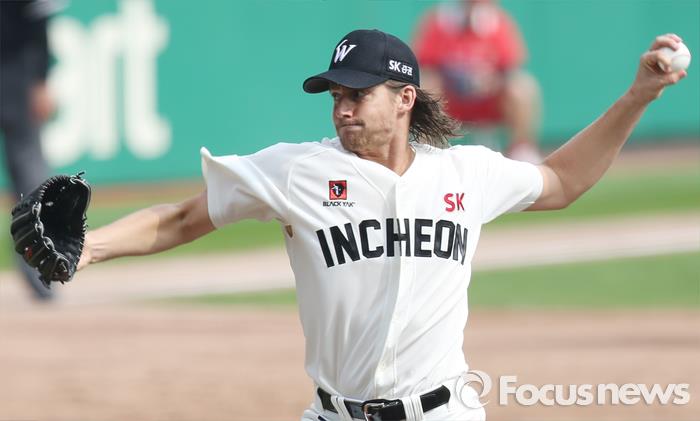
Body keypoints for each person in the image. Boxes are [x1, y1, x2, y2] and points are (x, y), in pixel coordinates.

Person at [76, 29, 686, 421]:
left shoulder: (465, 173)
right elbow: (184, 217)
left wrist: (638, 96)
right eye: (335, 96)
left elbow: (562, 181)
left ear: (404, 99)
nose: (342, 108)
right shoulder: (297, 171)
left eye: (358, 95)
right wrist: (91, 248)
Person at [413, 0, 542, 163]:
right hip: (450, 101)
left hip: (489, 102)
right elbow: (425, 65)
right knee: (425, 84)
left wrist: (490, 81)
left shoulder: (497, 21)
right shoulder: (438, 21)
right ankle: (426, 152)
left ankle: (521, 150)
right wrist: (454, 79)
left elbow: (510, 67)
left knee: (522, 86)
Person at [1, 0, 63, 300]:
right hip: (17, 72)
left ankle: (42, 271)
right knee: (29, 174)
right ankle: (43, 273)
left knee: (30, 180)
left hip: (16, 72)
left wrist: (40, 80)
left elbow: (39, 15)